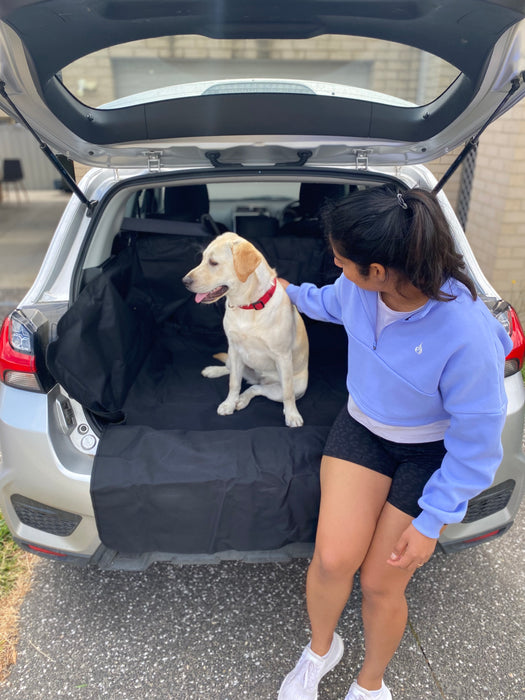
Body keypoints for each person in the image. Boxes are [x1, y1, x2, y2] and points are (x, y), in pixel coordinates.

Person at [276, 184, 512, 700]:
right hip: (363, 428)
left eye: (341, 261)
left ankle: (371, 683)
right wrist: (282, 292)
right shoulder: (358, 290)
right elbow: (327, 301)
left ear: (378, 270)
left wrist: (432, 521)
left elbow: (477, 446)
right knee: (335, 560)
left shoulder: (467, 334)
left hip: (430, 453)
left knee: (383, 583)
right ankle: (320, 651)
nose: (336, 268)